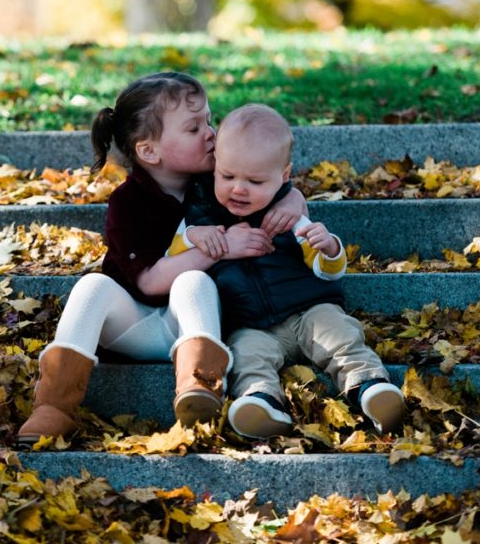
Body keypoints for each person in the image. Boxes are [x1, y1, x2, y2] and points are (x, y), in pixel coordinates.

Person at [16, 74, 308, 444]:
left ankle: (199, 387)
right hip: (132, 323)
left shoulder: (222, 184)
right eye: (193, 128)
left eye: (209, 120)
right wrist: (221, 247)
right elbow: (150, 281)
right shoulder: (128, 203)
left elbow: (271, 182)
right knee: (92, 285)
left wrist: (292, 200)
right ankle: (53, 406)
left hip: (193, 322)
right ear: (149, 151)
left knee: (194, 282)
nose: (211, 133)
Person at [170, 103, 404, 439]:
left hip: (308, 308)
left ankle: (369, 387)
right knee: (245, 357)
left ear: (284, 176)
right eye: (228, 176)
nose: (239, 188)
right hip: (251, 324)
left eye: (254, 180)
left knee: (338, 335)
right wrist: (193, 236)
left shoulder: (287, 214)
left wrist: (329, 247)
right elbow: (174, 251)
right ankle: (261, 402)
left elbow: (328, 270)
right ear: (215, 167)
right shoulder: (202, 214)